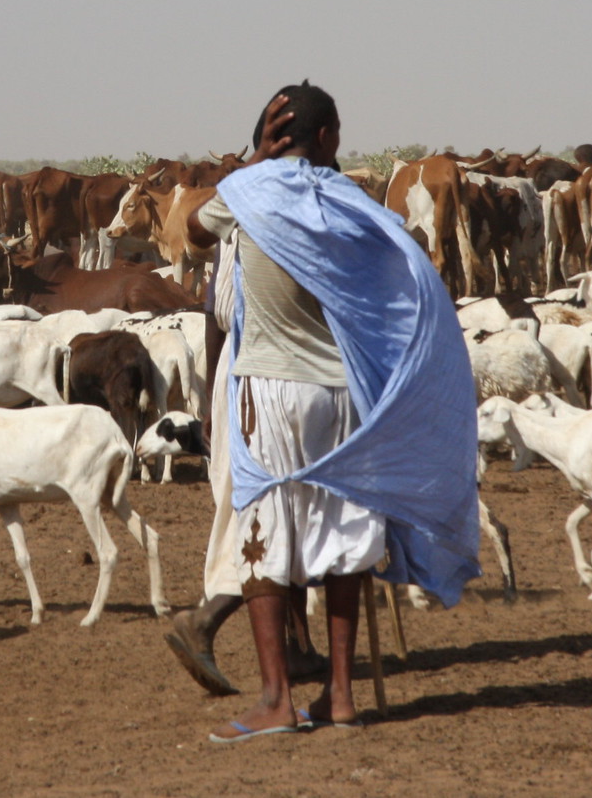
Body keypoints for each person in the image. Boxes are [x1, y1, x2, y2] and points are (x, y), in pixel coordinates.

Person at [168, 83, 479, 743]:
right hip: (343, 392)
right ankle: (339, 695)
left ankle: (277, 698)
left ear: (271, 136)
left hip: (269, 388)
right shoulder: (354, 203)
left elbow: (189, 231)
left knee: (262, 535)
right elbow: (404, 281)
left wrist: (251, 162)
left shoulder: (247, 194)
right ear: (332, 137)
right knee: (342, 532)